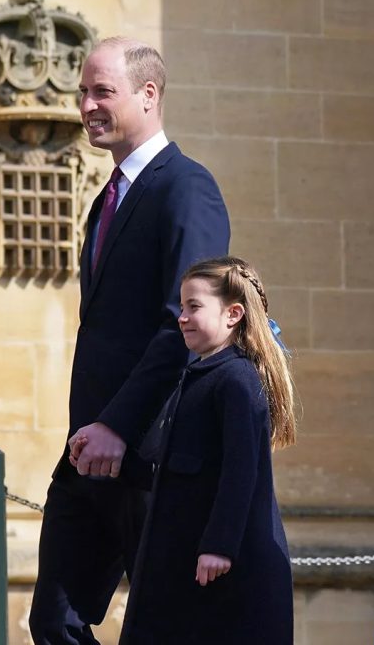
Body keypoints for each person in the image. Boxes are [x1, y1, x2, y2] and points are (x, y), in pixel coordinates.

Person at [29, 37, 231, 645]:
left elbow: (186, 323)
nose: (86, 105)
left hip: (151, 453)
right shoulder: (107, 199)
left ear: (148, 94)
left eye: (102, 91)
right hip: (90, 451)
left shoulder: (186, 187)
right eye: (82, 92)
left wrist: (119, 424)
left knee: (160, 627)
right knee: (52, 622)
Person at [118, 256, 296, 645]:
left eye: (194, 307)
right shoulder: (202, 376)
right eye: (182, 307)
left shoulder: (235, 380)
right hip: (186, 561)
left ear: (233, 314)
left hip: (220, 571)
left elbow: (241, 471)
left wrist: (219, 546)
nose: (182, 317)